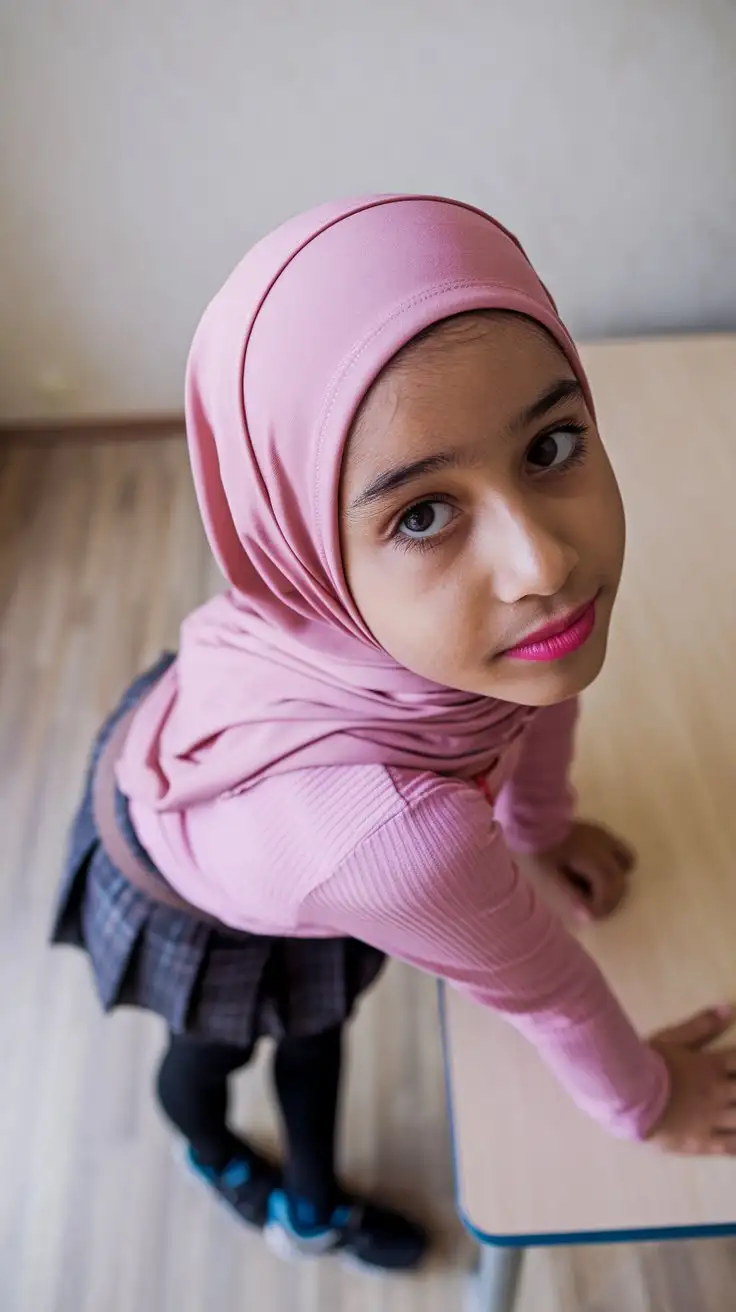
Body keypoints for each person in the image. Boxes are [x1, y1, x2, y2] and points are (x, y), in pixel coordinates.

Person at [52, 195, 736, 1273]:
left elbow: (538, 700)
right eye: (421, 513)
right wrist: (645, 1101)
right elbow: (549, 990)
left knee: (312, 1034)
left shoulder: (463, 629)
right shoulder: (399, 838)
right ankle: (245, 1170)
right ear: (298, 544)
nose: (542, 564)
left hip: (230, 730)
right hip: (184, 874)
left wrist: (540, 829)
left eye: (553, 442)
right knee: (237, 1047)